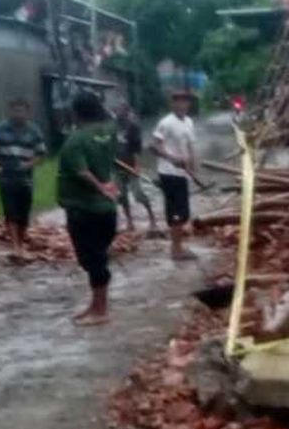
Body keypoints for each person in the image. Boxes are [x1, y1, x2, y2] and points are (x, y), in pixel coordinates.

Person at [57, 91, 119, 326]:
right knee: (98, 257)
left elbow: (82, 172)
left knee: (92, 259)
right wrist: (108, 187)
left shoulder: (76, 140)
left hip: (84, 208)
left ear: (76, 112)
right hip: (106, 210)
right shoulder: (107, 132)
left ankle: (101, 310)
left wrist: (100, 187)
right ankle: (95, 304)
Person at [0, 98, 47, 261]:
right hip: (5, 177)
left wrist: (28, 164)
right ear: (10, 111)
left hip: (25, 179)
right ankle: (15, 247)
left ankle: (20, 243)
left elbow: (41, 154)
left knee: (24, 212)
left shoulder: (34, 131)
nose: (18, 114)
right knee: (10, 212)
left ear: (27, 112)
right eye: (15, 110)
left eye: (22, 110)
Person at [151, 90, 198, 260]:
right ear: (172, 104)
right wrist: (172, 158)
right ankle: (176, 249)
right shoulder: (166, 123)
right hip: (169, 172)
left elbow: (191, 146)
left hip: (183, 173)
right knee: (176, 213)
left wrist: (193, 166)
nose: (182, 105)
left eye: (185, 101)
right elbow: (154, 146)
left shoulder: (189, 122)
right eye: (178, 101)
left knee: (183, 212)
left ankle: (178, 247)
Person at [112, 101, 158, 233]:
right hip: (116, 166)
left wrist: (137, 166)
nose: (119, 113)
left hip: (131, 166)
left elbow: (137, 149)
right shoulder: (111, 127)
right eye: (117, 110)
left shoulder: (133, 127)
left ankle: (152, 218)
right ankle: (129, 222)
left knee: (138, 194)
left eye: (122, 110)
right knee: (121, 196)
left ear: (127, 112)